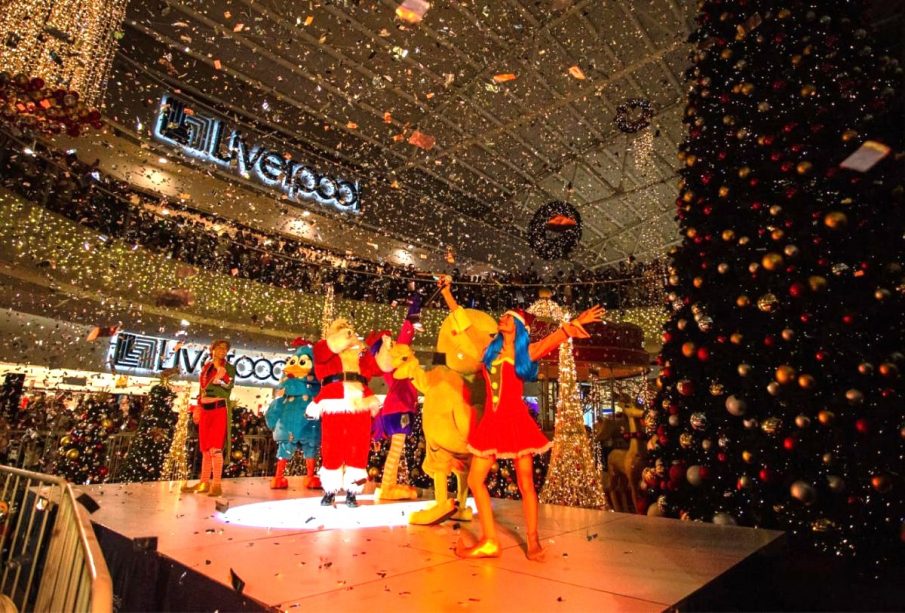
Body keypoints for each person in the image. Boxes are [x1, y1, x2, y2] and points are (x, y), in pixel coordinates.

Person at [458, 303, 605, 561]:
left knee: (526, 483)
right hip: (492, 423)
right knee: (474, 480)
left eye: (506, 316)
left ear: (516, 326)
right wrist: (447, 294)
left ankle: (533, 541)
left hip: (515, 421)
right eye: (502, 314)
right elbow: (466, 327)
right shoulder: (489, 351)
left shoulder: (526, 352)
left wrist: (580, 320)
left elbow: (557, 336)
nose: (500, 317)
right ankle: (490, 540)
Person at [182, 339, 235, 497]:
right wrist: (198, 407)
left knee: (215, 448)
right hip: (205, 411)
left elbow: (228, 386)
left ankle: (216, 484)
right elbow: (202, 389)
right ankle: (204, 482)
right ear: (212, 350)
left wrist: (221, 371)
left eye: (225, 348)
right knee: (205, 449)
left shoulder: (228, 368)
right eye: (219, 348)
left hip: (219, 409)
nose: (222, 351)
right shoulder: (205, 367)